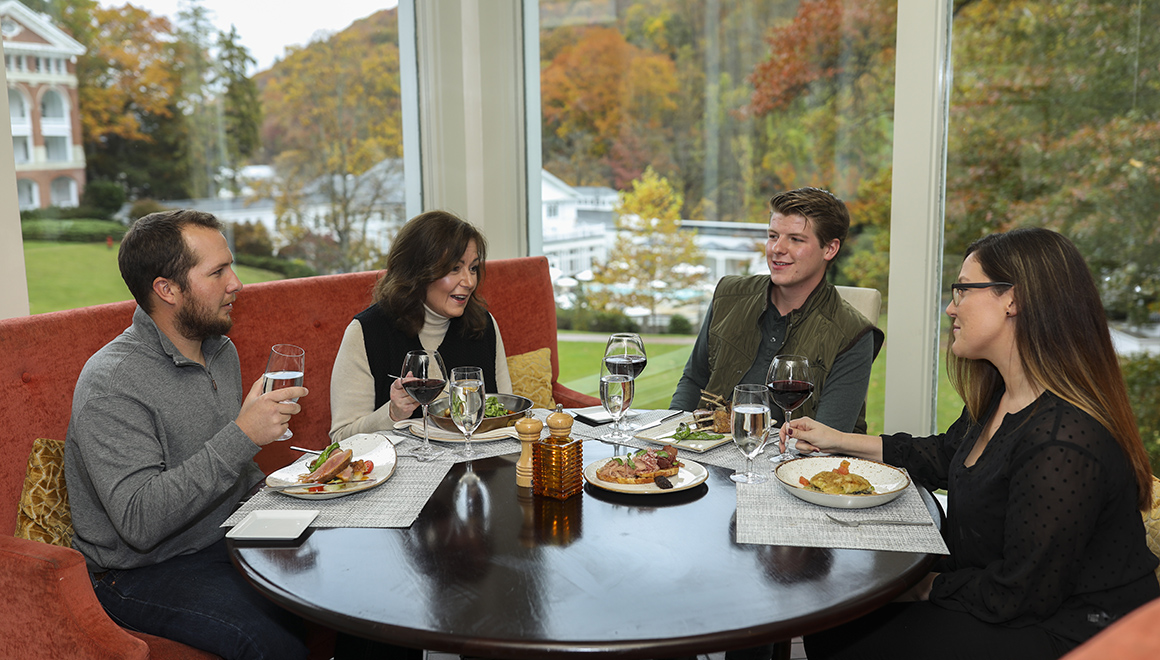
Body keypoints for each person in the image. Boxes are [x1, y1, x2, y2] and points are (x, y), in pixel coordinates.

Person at [783, 227, 1160, 660]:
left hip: (1080, 634)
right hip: (1011, 599)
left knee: (845, 634)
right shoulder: (1002, 395)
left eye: (962, 290)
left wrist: (925, 585)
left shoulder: (1063, 439)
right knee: (833, 619)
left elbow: (1020, 593)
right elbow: (944, 456)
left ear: (1013, 300)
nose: (950, 307)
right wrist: (837, 440)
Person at [63, 210, 310, 659]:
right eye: (218, 272)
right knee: (273, 641)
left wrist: (297, 482)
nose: (236, 283)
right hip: (139, 571)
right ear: (167, 290)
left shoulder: (220, 350)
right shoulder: (112, 382)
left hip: (222, 536)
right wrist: (243, 435)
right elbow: (139, 522)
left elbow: (228, 469)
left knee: (344, 579)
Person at [670, 187, 883, 433]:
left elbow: (828, 438)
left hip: (793, 465)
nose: (776, 249)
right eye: (773, 236)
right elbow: (694, 381)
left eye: (795, 239)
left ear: (830, 249)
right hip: (708, 454)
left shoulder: (854, 333)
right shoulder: (728, 295)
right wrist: (671, 440)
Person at [330, 210, 513, 441]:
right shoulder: (366, 332)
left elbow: (507, 416)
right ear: (417, 271)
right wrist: (392, 414)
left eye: (473, 268)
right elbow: (340, 438)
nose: (469, 282)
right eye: (455, 268)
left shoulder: (483, 324)